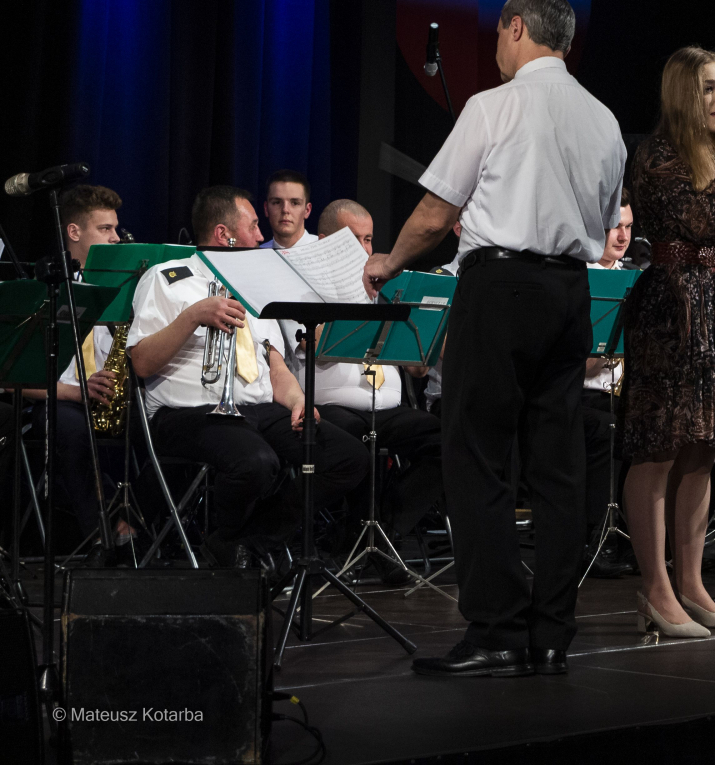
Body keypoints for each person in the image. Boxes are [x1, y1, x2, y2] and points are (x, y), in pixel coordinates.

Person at [363, 0, 624, 678]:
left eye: (499, 35)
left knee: (477, 456)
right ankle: (552, 635)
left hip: (500, 287)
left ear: (514, 29)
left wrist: (390, 261)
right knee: (558, 466)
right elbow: (604, 223)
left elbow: (434, 211)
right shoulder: (604, 119)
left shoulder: (492, 105)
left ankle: (497, 628)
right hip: (570, 291)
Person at [127, 186, 367, 571]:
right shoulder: (167, 278)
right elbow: (141, 362)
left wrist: (298, 401)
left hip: (256, 409)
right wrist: (192, 317)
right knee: (255, 461)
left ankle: (243, 541)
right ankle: (237, 547)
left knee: (347, 458)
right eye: (253, 226)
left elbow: (275, 366)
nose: (260, 236)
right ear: (224, 234)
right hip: (187, 413)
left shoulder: (257, 289)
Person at [620, 46, 715, 640]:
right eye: (708, 88)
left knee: (701, 447)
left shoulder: (711, 157)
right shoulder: (658, 154)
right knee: (659, 445)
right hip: (671, 310)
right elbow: (699, 224)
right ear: (683, 93)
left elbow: (713, 237)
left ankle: (692, 584)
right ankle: (655, 589)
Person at [307, 199, 442, 580]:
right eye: (354, 240)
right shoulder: (308, 286)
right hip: (331, 405)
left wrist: (424, 324)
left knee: (448, 441)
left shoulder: (382, 289)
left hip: (386, 407)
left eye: (368, 240)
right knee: (354, 441)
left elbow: (417, 366)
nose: (365, 250)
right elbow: (312, 345)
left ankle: (380, 533)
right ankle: (365, 539)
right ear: (325, 242)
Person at [31, 184, 134, 550]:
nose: (116, 237)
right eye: (105, 229)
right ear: (74, 232)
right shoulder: (44, 290)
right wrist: (75, 392)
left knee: (171, 425)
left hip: (111, 399)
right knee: (73, 432)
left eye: (116, 228)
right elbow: (15, 376)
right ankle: (105, 534)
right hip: (58, 400)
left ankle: (149, 525)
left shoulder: (125, 289)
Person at [581, 192, 635, 579]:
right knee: (606, 428)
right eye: (614, 227)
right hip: (581, 393)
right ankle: (593, 539)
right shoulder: (577, 278)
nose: (622, 236)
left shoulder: (634, 280)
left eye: (628, 227)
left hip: (625, 392)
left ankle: (645, 542)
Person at [259, 170, 316, 250]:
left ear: (307, 210)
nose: (285, 210)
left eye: (295, 203)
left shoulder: (326, 250)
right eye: (277, 202)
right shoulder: (257, 254)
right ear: (266, 208)